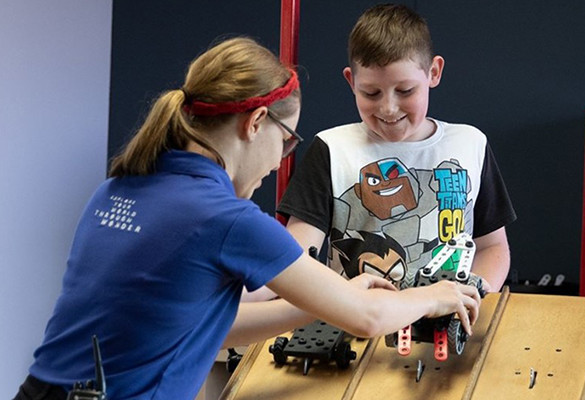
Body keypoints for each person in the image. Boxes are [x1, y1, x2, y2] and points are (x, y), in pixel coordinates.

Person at [13, 37, 480, 400]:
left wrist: (326, 300)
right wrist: (435, 295)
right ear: (256, 123)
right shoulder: (225, 218)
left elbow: (200, 321)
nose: (280, 162)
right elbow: (369, 317)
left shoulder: (115, 190)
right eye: (286, 142)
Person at [277, 4, 517, 293]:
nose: (389, 108)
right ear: (351, 82)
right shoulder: (331, 148)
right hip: (357, 320)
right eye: (371, 93)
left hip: (444, 322)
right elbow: (299, 255)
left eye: (405, 91)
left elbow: (491, 246)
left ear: (434, 72)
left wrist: (476, 293)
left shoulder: (470, 143)